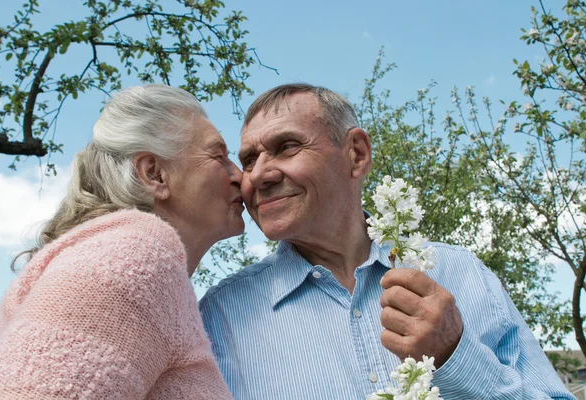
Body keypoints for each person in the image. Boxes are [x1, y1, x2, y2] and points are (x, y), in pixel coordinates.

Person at [199, 83, 575, 400]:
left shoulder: (461, 273)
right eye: (249, 159)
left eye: (286, 147)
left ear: (357, 155)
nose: (259, 175)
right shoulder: (219, 317)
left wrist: (456, 357)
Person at [0, 84, 243, 399]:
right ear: (154, 174)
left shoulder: (110, 255)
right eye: (219, 156)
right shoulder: (135, 251)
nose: (240, 176)